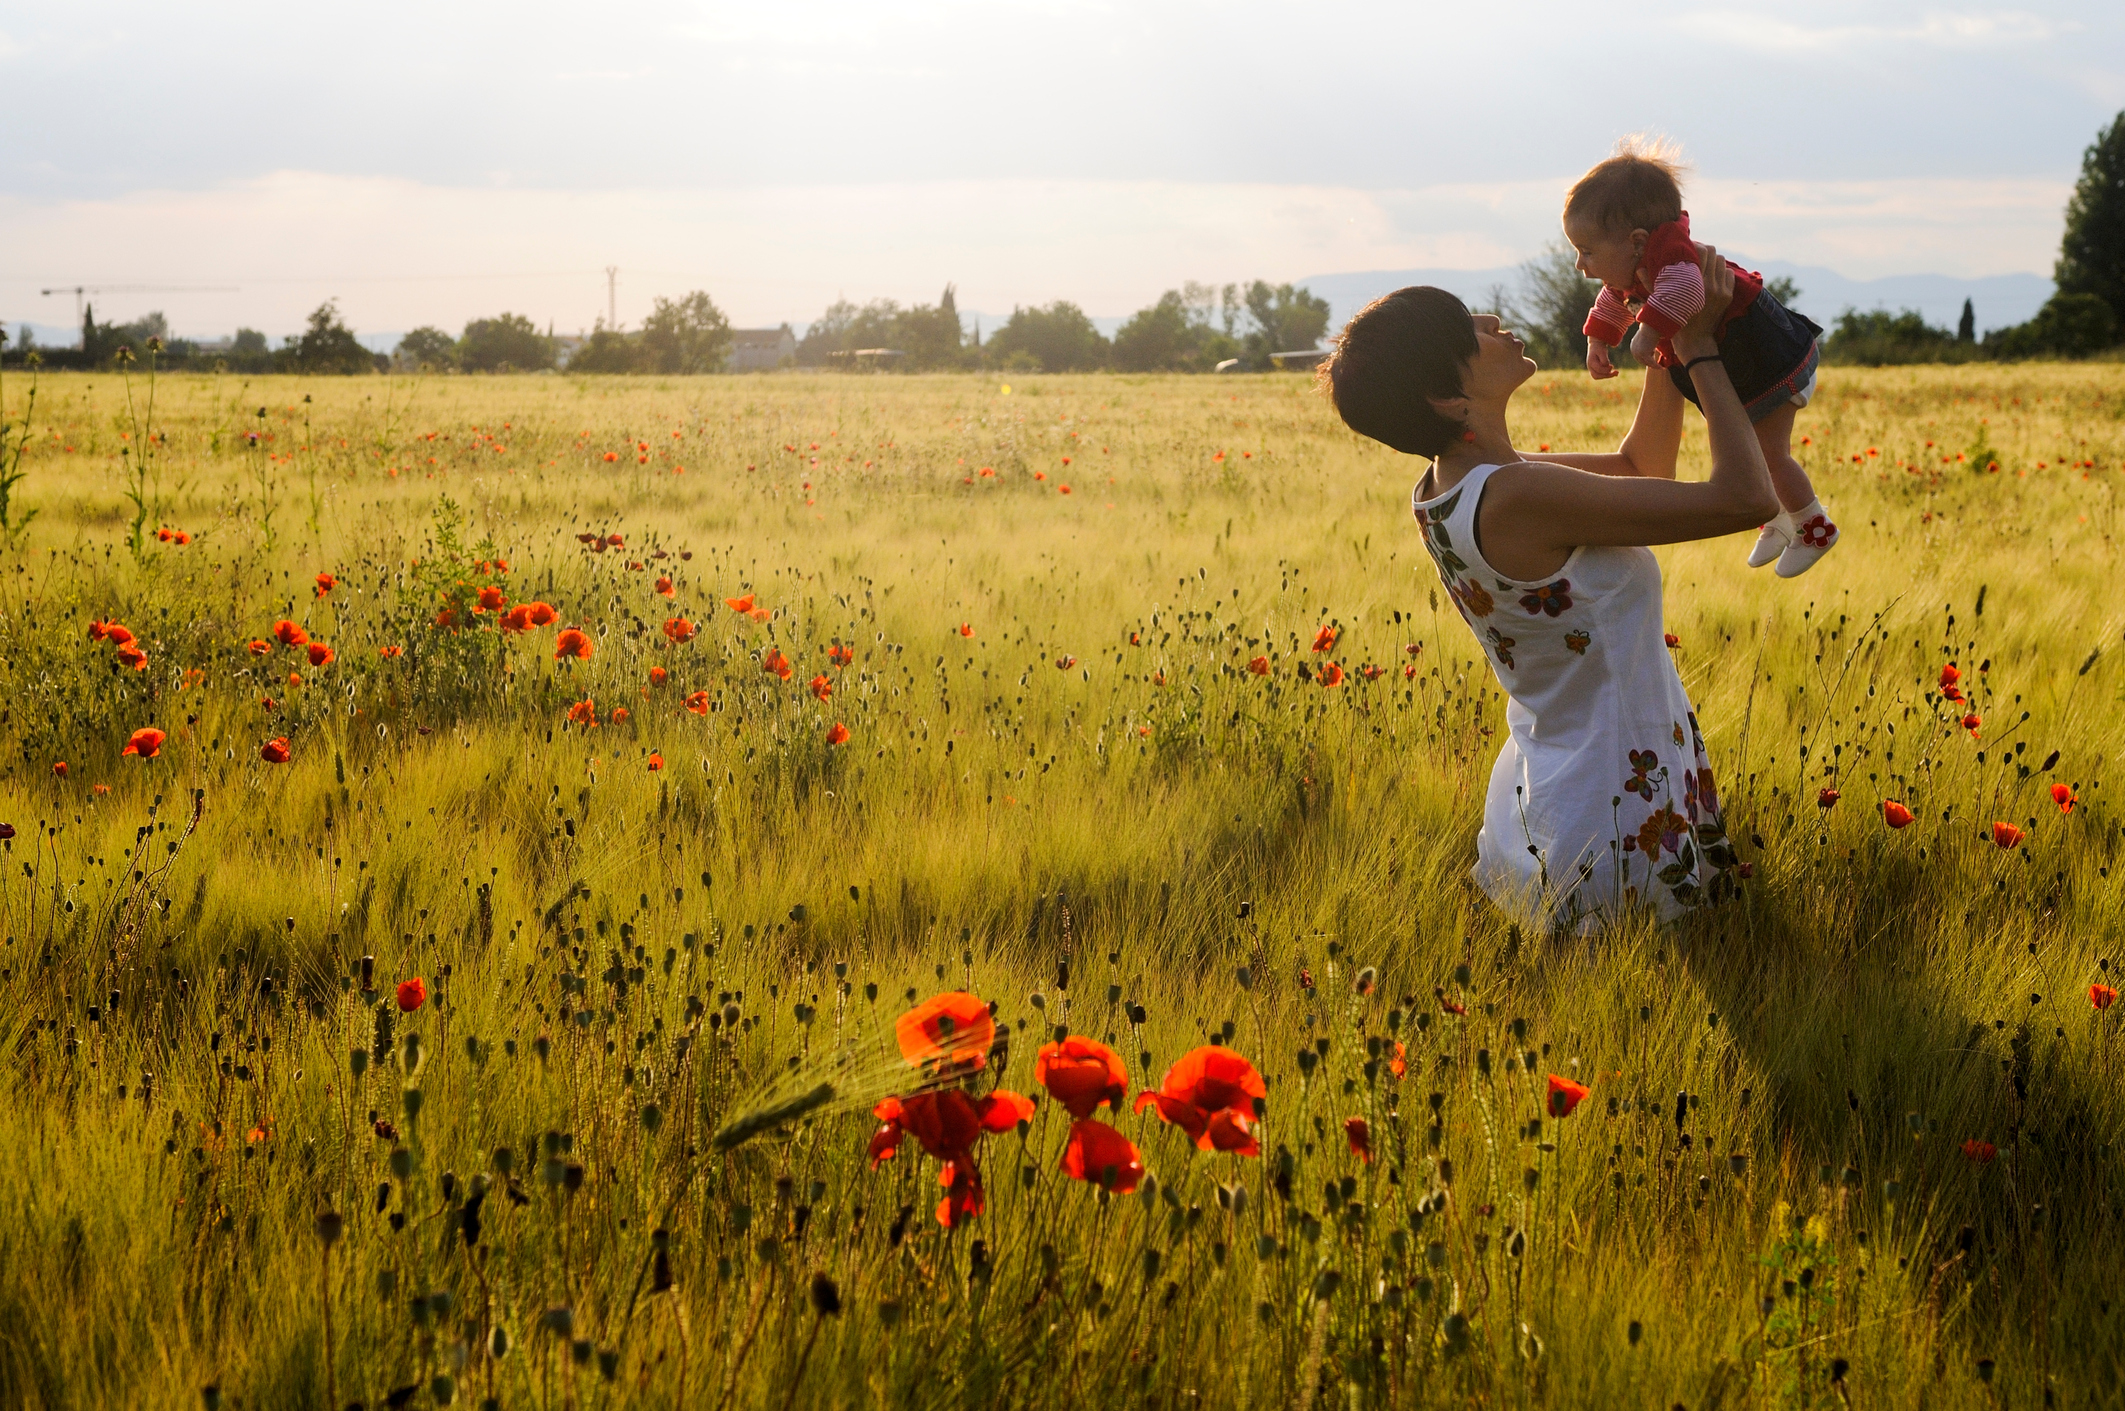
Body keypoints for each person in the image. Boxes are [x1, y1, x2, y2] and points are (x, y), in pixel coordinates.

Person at [1316, 247, 1770, 935]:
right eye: (1465, 325)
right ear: (1446, 395)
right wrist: (1702, 347)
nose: (1490, 318)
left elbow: (1638, 467)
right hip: (1615, 795)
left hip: (1570, 770)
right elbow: (1745, 497)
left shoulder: (1455, 489)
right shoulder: (1517, 494)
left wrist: (1666, 334)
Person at [1565, 137, 1837, 577]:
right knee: (1746, 446)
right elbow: (1613, 299)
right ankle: (1778, 518)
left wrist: (1646, 333)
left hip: (1775, 360)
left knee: (1768, 453)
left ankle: (1813, 524)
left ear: (1636, 242)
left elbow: (1688, 292)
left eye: (1588, 251)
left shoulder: (1673, 259)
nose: (1580, 264)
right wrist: (1600, 339)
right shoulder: (1636, 261)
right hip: (1746, 361)